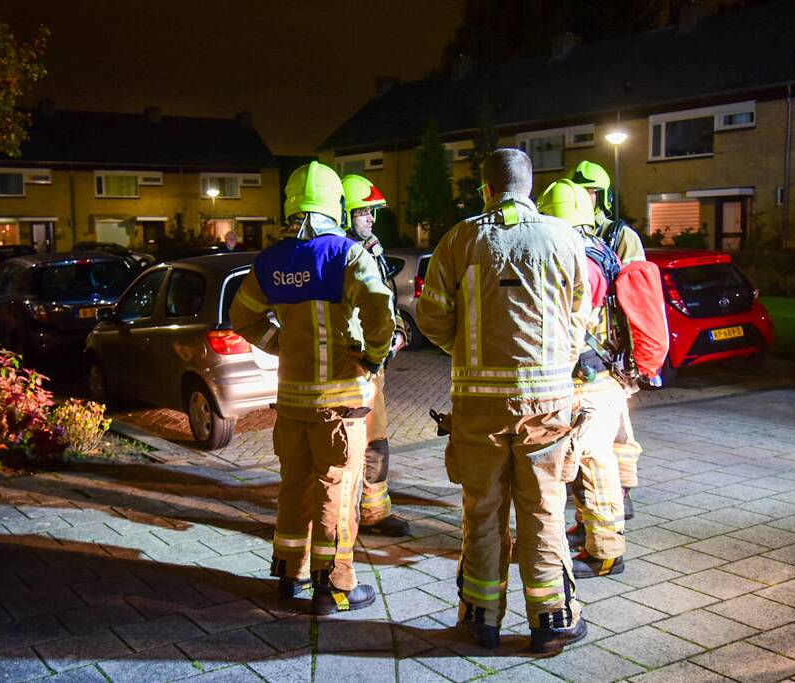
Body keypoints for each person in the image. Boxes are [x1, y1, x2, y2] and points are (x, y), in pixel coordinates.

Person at [416, 148, 590, 654]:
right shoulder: (564, 238)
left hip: (477, 406)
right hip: (548, 404)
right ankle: (552, 620)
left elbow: (431, 319)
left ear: (486, 189)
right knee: (544, 510)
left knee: (482, 511)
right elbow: (582, 313)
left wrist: (468, 350)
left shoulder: (459, 239)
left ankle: (480, 619)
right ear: (529, 186)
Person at [230, 161, 395, 615]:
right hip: (340, 402)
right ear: (335, 205)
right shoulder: (346, 254)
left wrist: (279, 342)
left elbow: (242, 316)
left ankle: (291, 572)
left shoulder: (271, 260)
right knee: (336, 490)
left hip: (292, 402)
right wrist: (374, 355)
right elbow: (380, 308)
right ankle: (335, 585)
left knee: (295, 486)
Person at [537, 178, 627, 578]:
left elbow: (571, 328)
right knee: (591, 460)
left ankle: (606, 552)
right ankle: (590, 532)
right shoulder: (599, 250)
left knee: (591, 463)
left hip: (586, 381)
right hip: (600, 377)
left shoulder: (580, 262)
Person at [567, 160, 644, 519]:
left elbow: (634, 296)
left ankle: (622, 491)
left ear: (604, 195)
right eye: (582, 190)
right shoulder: (567, 232)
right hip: (590, 349)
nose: (587, 196)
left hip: (611, 348)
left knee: (619, 430)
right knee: (596, 430)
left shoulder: (620, 236)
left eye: (593, 190)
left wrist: (633, 353)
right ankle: (601, 494)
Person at [342, 174, 410, 537]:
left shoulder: (373, 252)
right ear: (343, 214)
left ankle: (374, 510)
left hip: (373, 363)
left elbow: (386, 300)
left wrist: (397, 332)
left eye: (372, 213)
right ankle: (344, 513)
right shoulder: (338, 255)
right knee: (349, 443)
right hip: (350, 362)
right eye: (363, 212)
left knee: (376, 438)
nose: (371, 219)